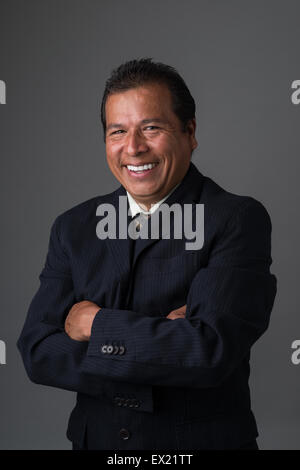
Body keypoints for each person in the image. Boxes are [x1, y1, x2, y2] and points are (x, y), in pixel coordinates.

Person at [17, 58, 277, 450]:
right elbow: (38, 351)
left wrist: (95, 323)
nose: (133, 148)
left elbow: (208, 350)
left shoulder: (236, 219)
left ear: (190, 132)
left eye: (151, 128)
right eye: (117, 131)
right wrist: (166, 343)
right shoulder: (73, 227)